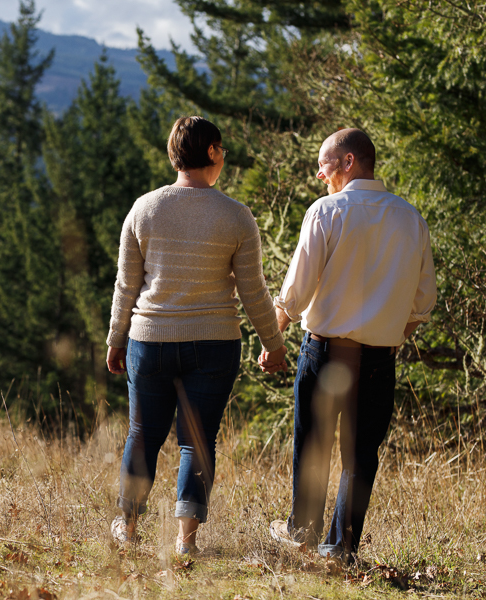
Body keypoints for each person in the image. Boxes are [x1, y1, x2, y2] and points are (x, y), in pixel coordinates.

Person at [106, 116, 286, 555]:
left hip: (149, 340)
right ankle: (186, 540)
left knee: (143, 435)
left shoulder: (143, 208)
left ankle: (128, 528)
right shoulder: (236, 216)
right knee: (198, 439)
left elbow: (126, 285)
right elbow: (253, 290)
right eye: (221, 150)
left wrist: (115, 338)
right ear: (211, 152)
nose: (224, 158)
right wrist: (273, 344)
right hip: (214, 343)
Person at [263, 128, 437, 564]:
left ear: (348, 162)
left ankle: (302, 534)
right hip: (380, 358)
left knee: (314, 444)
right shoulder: (411, 219)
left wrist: (273, 337)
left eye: (324, 164)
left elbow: (296, 291)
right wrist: (390, 337)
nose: (319, 174)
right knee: (361, 456)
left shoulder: (327, 211)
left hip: (324, 351)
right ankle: (342, 549)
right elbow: (423, 304)